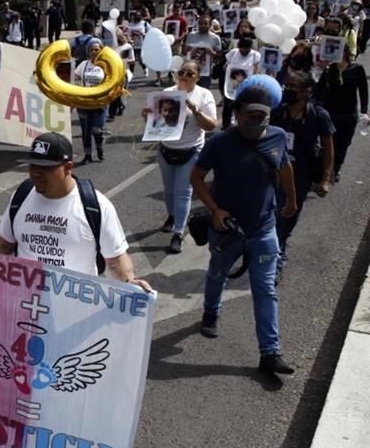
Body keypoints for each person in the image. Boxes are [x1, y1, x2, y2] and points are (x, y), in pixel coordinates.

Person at [0, 132, 151, 448]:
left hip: (72, 320)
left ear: (68, 167)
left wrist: (131, 281)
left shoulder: (94, 206)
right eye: (31, 167)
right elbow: (4, 243)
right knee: (8, 389)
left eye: (44, 168)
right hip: (20, 312)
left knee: (56, 393)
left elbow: (117, 259)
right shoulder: (23, 196)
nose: (35, 175)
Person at [190, 86, 297, 376]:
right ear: (236, 115)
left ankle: (270, 353)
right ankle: (211, 312)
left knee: (265, 290)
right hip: (227, 230)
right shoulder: (220, 142)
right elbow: (197, 177)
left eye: (263, 116)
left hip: (263, 230)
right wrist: (215, 210)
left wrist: (292, 198)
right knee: (217, 273)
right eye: (250, 116)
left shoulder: (276, 136)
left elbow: (284, 167)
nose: (257, 122)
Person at [143, 60, 217, 253]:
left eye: (190, 73)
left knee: (183, 193)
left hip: (190, 151)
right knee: (169, 191)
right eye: (181, 71)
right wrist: (148, 115)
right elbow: (156, 122)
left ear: (197, 77)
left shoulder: (204, 94)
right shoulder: (167, 93)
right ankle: (172, 216)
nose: (184, 75)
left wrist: (194, 108)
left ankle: (178, 233)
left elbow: (211, 125)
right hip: (166, 150)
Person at [269, 70, 334, 276]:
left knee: (290, 214)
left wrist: (325, 179)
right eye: (286, 86)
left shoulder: (318, 116)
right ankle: (276, 255)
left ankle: (280, 244)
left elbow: (328, 148)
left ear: (306, 92)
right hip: (276, 172)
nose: (287, 90)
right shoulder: (278, 112)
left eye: (293, 87)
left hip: (302, 174)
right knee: (276, 212)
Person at [315, 46, 367, 181]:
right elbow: (319, 90)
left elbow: (363, 91)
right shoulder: (328, 70)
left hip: (349, 115)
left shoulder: (357, 69)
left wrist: (364, 112)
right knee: (328, 143)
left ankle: (336, 168)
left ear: (345, 53)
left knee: (343, 143)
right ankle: (325, 170)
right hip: (330, 113)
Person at [73, 39, 107, 163]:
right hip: (84, 102)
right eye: (91, 50)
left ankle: (99, 148)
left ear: (101, 51)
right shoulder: (83, 64)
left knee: (96, 130)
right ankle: (87, 155)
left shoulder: (106, 65)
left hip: (99, 103)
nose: (94, 52)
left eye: (96, 50)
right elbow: (75, 78)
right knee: (86, 131)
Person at [222, 37, 261, 128]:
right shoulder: (234, 52)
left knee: (244, 106)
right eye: (242, 48)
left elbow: (256, 70)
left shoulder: (255, 55)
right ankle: (225, 126)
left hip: (247, 84)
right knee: (228, 106)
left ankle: (242, 125)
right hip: (231, 84)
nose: (244, 50)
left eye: (246, 48)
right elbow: (226, 64)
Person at [184, 15, 223, 89]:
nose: (202, 25)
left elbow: (220, 56)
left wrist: (212, 52)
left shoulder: (215, 38)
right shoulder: (191, 35)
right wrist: (187, 49)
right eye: (200, 23)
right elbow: (185, 52)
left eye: (205, 23)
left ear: (210, 25)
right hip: (191, 71)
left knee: (204, 93)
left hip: (206, 72)